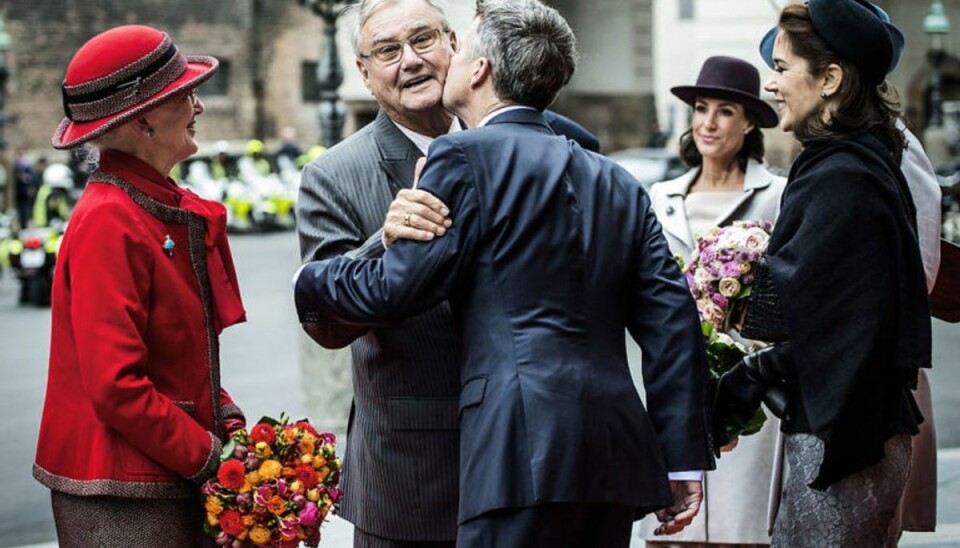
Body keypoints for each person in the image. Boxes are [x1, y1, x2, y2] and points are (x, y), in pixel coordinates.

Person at [295, 1, 714, 546]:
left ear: (466, 58)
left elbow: (397, 285)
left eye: (425, 40)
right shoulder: (614, 177)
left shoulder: (475, 157)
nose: (411, 61)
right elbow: (671, 320)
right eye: (387, 50)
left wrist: (310, 280)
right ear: (364, 71)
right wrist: (680, 456)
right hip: (434, 477)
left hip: (512, 452)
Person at [711, 2, 932, 546]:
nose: (771, 84)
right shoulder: (852, 162)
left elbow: (846, 329)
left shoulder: (845, 175)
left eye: (783, 68)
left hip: (847, 438)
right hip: (849, 430)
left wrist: (748, 375)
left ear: (830, 79)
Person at [33, 25, 248, 547]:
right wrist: (212, 457)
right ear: (144, 120)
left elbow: (177, 360)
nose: (198, 106)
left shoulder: (141, 203)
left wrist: (229, 419)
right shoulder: (111, 217)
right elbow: (117, 386)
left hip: (154, 475)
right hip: (124, 496)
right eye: (185, 95)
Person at [639, 55, 785, 547]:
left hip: (747, 381)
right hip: (674, 372)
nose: (708, 121)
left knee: (740, 527)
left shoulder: (778, 197)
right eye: (701, 108)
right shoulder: (660, 197)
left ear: (749, 123)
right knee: (672, 527)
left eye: (725, 110)